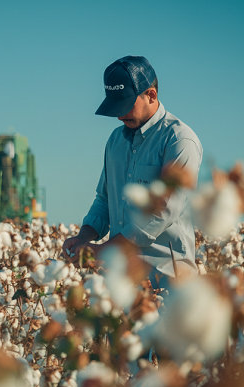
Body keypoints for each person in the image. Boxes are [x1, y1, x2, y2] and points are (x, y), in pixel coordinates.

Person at [62, 55, 202, 288]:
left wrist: (101, 251)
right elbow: (105, 199)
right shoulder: (115, 140)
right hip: (122, 284)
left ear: (151, 95)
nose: (119, 115)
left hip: (168, 283)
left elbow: (161, 213)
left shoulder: (179, 140)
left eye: (126, 105)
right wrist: (84, 237)